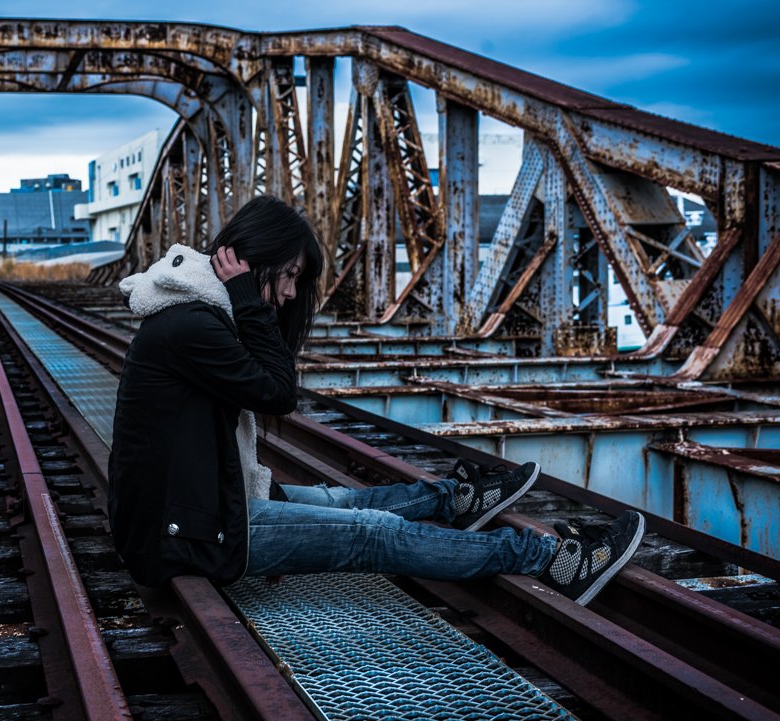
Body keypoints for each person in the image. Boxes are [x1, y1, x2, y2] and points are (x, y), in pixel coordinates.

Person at [108, 195, 644, 606]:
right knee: (372, 532)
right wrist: (252, 305)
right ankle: (553, 559)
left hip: (191, 514)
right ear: (255, 261)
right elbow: (276, 393)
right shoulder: (193, 326)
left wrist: (250, 304)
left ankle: (450, 500)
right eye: (289, 275)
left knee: (341, 504)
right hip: (185, 535)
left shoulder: (193, 316)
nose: (292, 293)